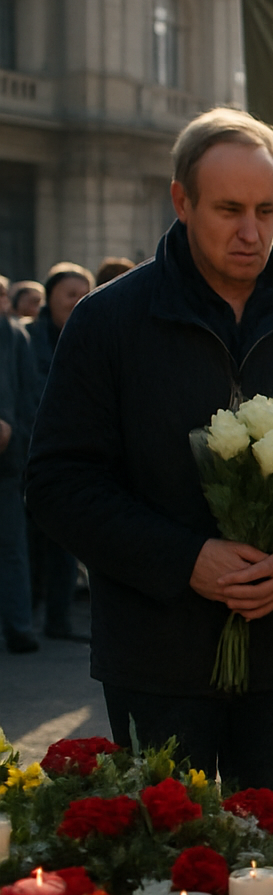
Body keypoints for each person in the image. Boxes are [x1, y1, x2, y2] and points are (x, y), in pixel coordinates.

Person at [25, 107, 273, 790]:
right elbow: (59, 484)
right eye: (230, 209)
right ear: (181, 200)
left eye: (267, 210)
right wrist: (185, 560)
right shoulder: (108, 320)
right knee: (169, 866)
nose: (252, 232)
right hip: (155, 651)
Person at [26, 262, 93, 641]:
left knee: (65, 546)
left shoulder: (94, 335)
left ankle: (58, 620)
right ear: (49, 298)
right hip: (31, 453)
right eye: (70, 294)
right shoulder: (31, 338)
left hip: (77, 458)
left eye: (85, 292)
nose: (78, 301)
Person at [1, 305, 39, 653]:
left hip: (7, 462)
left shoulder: (12, 334)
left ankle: (19, 626)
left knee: (12, 549)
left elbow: (27, 392)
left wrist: (19, 434)